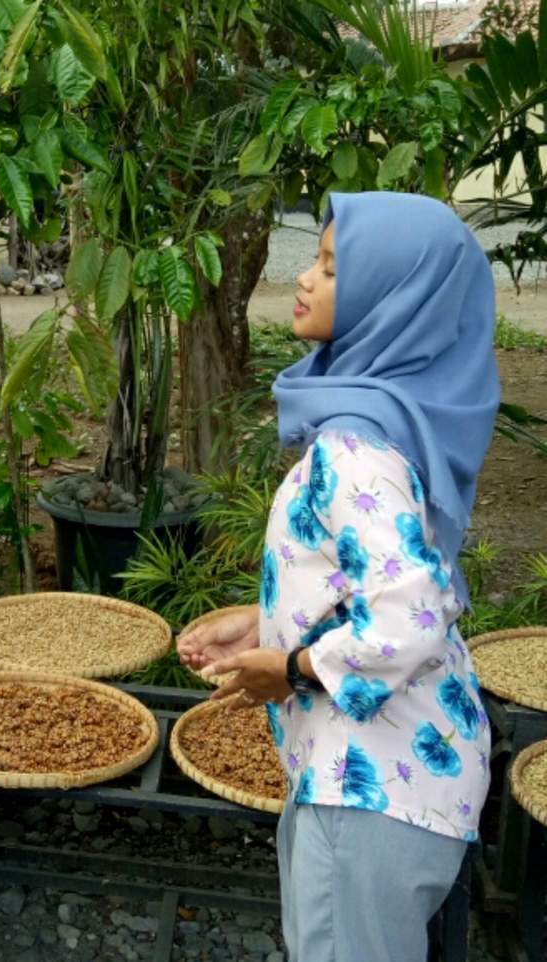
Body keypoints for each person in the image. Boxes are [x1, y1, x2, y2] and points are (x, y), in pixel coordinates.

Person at [177, 192, 500, 962]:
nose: (306, 279)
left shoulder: (354, 449)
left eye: (331, 267)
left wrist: (286, 668)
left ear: (393, 300)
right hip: (408, 774)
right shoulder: (399, 417)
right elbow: (382, 576)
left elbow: (408, 617)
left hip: (366, 797)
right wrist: (264, 620)